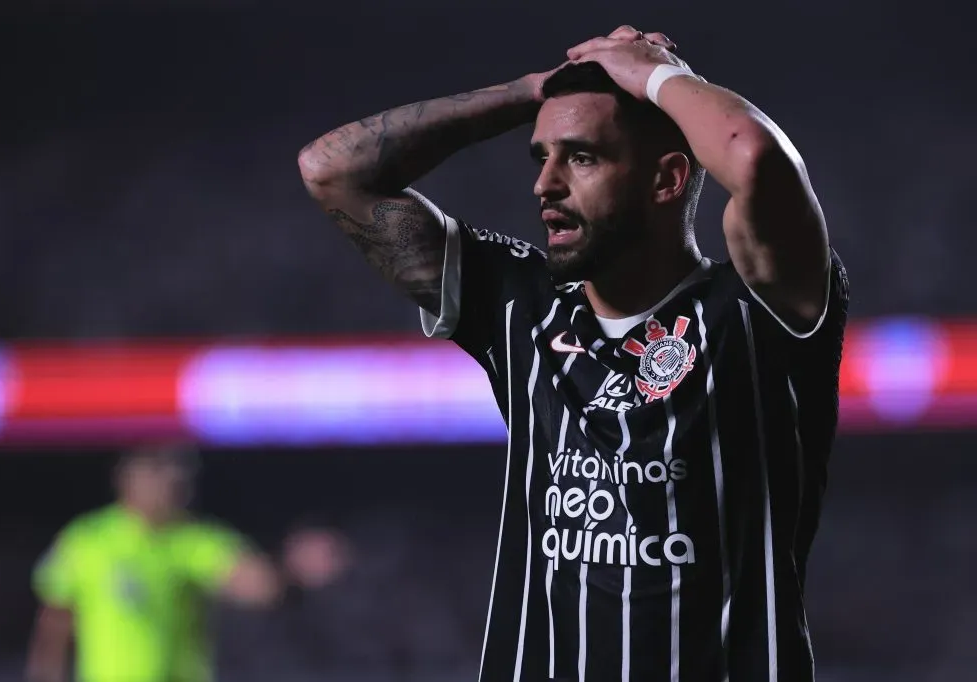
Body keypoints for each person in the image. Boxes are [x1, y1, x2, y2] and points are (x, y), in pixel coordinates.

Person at [299, 25, 848, 682]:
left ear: (667, 179)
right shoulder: (517, 305)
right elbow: (332, 170)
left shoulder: (760, 308)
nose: (545, 185)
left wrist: (652, 75)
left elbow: (752, 155)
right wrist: (535, 90)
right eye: (541, 157)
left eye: (582, 157)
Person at [25, 445, 284, 682]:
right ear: (126, 480)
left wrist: (287, 563)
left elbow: (255, 584)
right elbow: (55, 618)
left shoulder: (190, 539)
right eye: (156, 473)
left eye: (175, 476)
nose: (168, 484)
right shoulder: (87, 539)